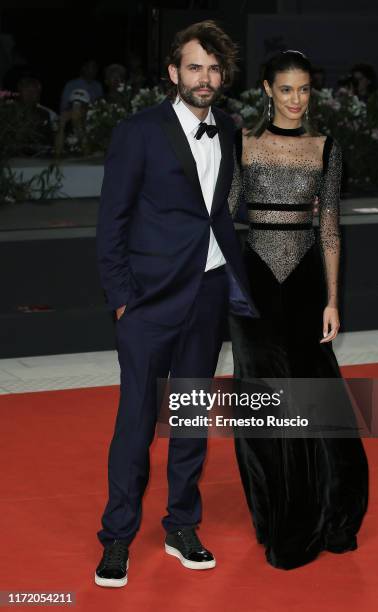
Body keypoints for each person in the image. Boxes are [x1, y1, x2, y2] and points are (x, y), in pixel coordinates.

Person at [95, 20, 256, 587]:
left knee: (189, 418)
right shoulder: (139, 132)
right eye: (194, 67)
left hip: (208, 295)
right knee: (136, 422)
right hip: (148, 302)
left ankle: (181, 524)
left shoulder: (231, 130)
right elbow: (111, 221)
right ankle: (117, 537)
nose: (205, 78)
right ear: (173, 73)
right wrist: (122, 301)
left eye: (214, 68)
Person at [228, 50, 369, 570]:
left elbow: (329, 227)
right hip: (254, 283)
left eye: (304, 90)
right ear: (267, 89)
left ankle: (328, 509)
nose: (295, 100)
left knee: (312, 394)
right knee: (261, 398)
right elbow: (223, 217)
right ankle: (276, 514)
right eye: (286, 89)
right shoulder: (243, 144)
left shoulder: (326, 147)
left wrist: (333, 300)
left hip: (307, 280)